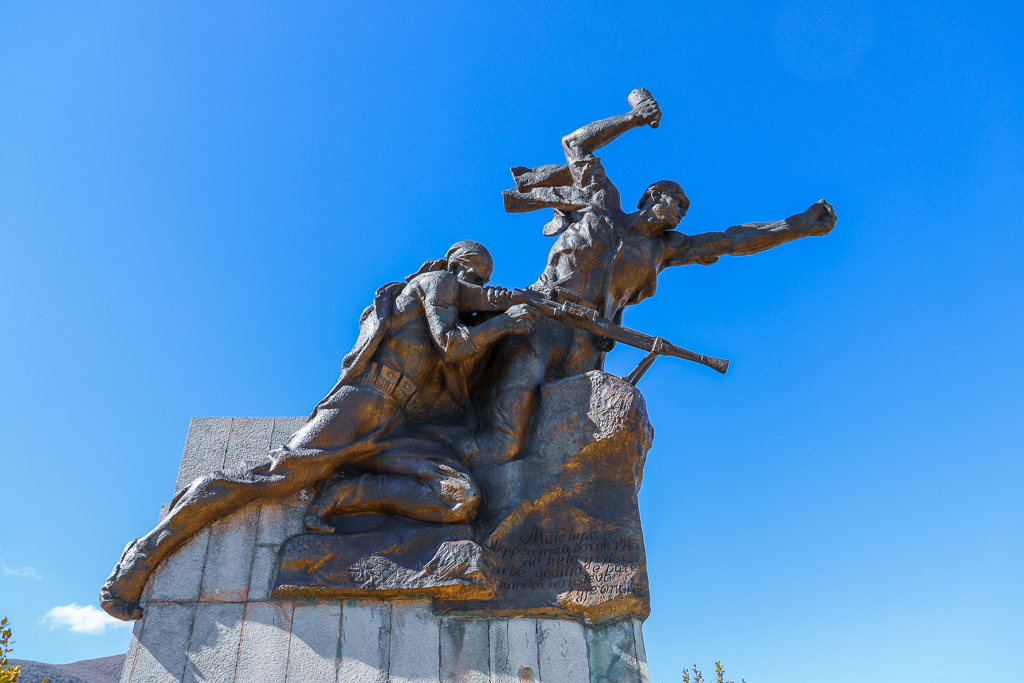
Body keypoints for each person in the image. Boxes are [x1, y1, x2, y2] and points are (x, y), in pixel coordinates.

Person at [100, 241, 533, 621]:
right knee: (276, 477)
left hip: (397, 424)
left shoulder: (458, 301)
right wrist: (506, 320)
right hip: (362, 403)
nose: (477, 282)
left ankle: (348, 494)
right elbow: (452, 344)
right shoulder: (437, 282)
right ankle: (144, 553)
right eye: (474, 272)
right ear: (454, 265)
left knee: (459, 496)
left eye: (484, 278)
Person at [472, 94, 837, 467]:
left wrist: (798, 226)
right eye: (676, 201)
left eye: (684, 210)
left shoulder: (664, 249)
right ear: (650, 195)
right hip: (536, 319)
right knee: (509, 427)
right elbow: (574, 144)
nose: (680, 212)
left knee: (562, 449)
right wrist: (633, 118)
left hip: (585, 343)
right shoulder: (603, 202)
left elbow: (732, 240)